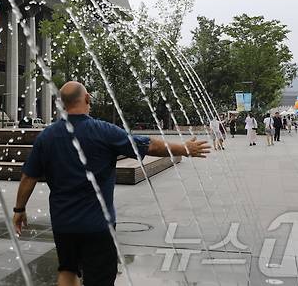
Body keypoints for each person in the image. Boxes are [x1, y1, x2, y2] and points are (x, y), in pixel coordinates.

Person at [12, 81, 211, 286]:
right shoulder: (103, 131)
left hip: (64, 224)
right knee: (100, 278)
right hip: (98, 225)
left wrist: (19, 209)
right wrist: (183, 148)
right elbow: (148, 145)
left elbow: (29, 176)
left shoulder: (47, 136)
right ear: (87, 99)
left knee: (67, 270)